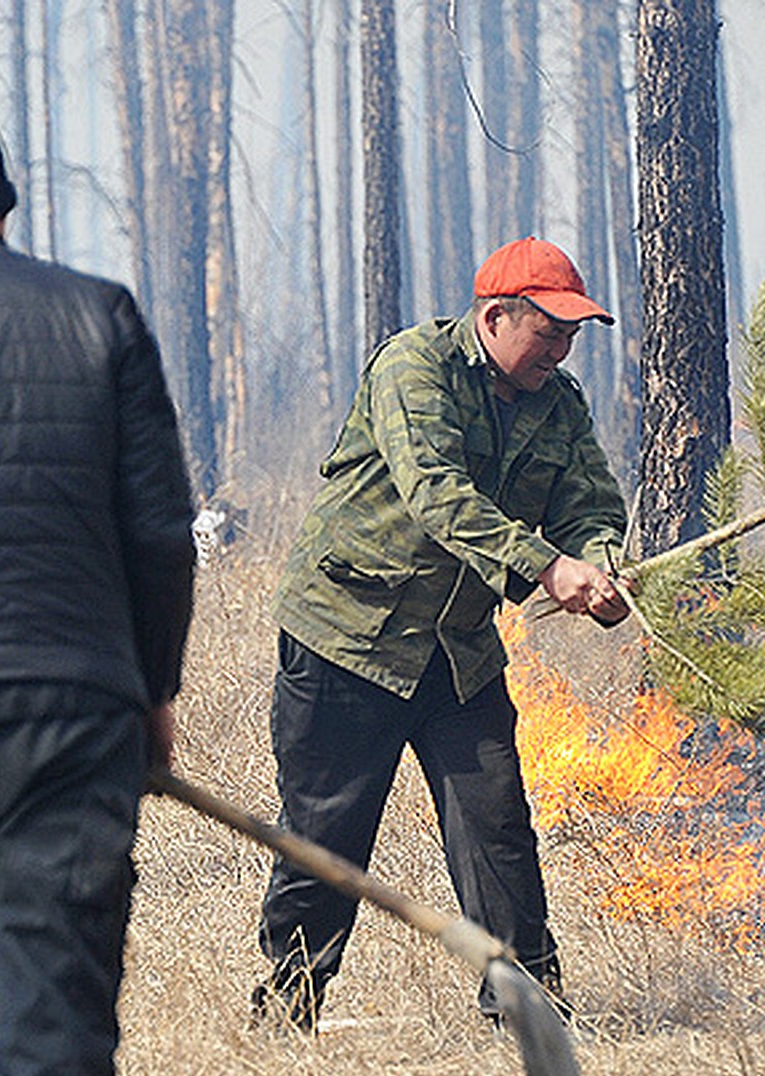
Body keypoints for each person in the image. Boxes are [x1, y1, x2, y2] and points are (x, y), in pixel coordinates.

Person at [256, 236, 630, 1032]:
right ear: (496, 316)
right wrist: (546, 569)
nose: (560, 352)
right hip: (348, 639)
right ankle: (288, 1009)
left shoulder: (557, 404)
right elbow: (439, 496)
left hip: (456, 655)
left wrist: (596, 565)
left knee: (496, 828)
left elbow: (589, 504)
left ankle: (530, 1011)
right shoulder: (413, 368)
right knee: (326, 835)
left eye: (570, 336)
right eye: (548, 332)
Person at [0, 105, 196, 1076]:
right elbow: (159, 533)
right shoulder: (100, 314)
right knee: (51, 1013)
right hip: (72, 709)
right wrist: (150, 696)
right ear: (3, 206)